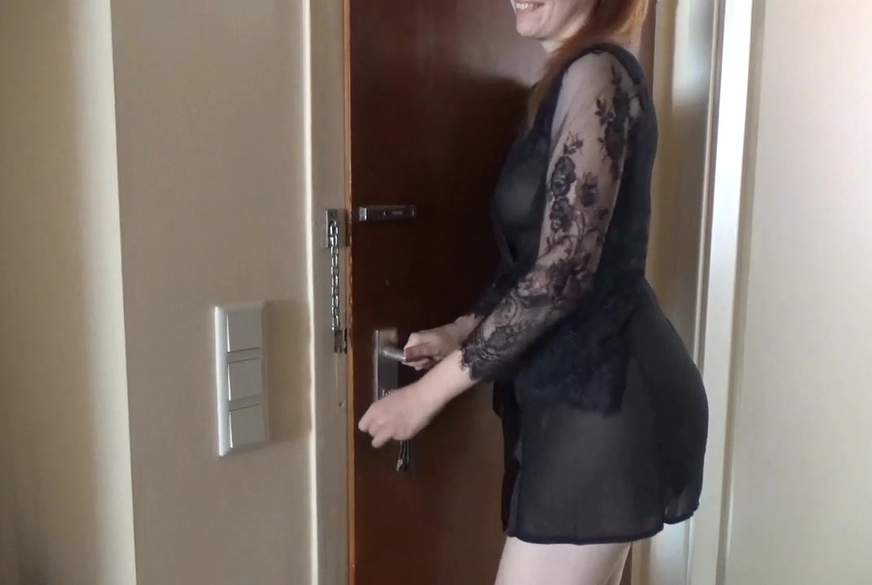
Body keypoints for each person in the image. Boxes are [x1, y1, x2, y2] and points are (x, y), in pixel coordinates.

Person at [358, 1, 709, 583]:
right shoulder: (565, 80)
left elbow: (562, 273)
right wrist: (459, 330)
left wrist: (423, 398)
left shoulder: (597, 73)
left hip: (607, 400)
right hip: (581, 395)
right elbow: (535, 262)